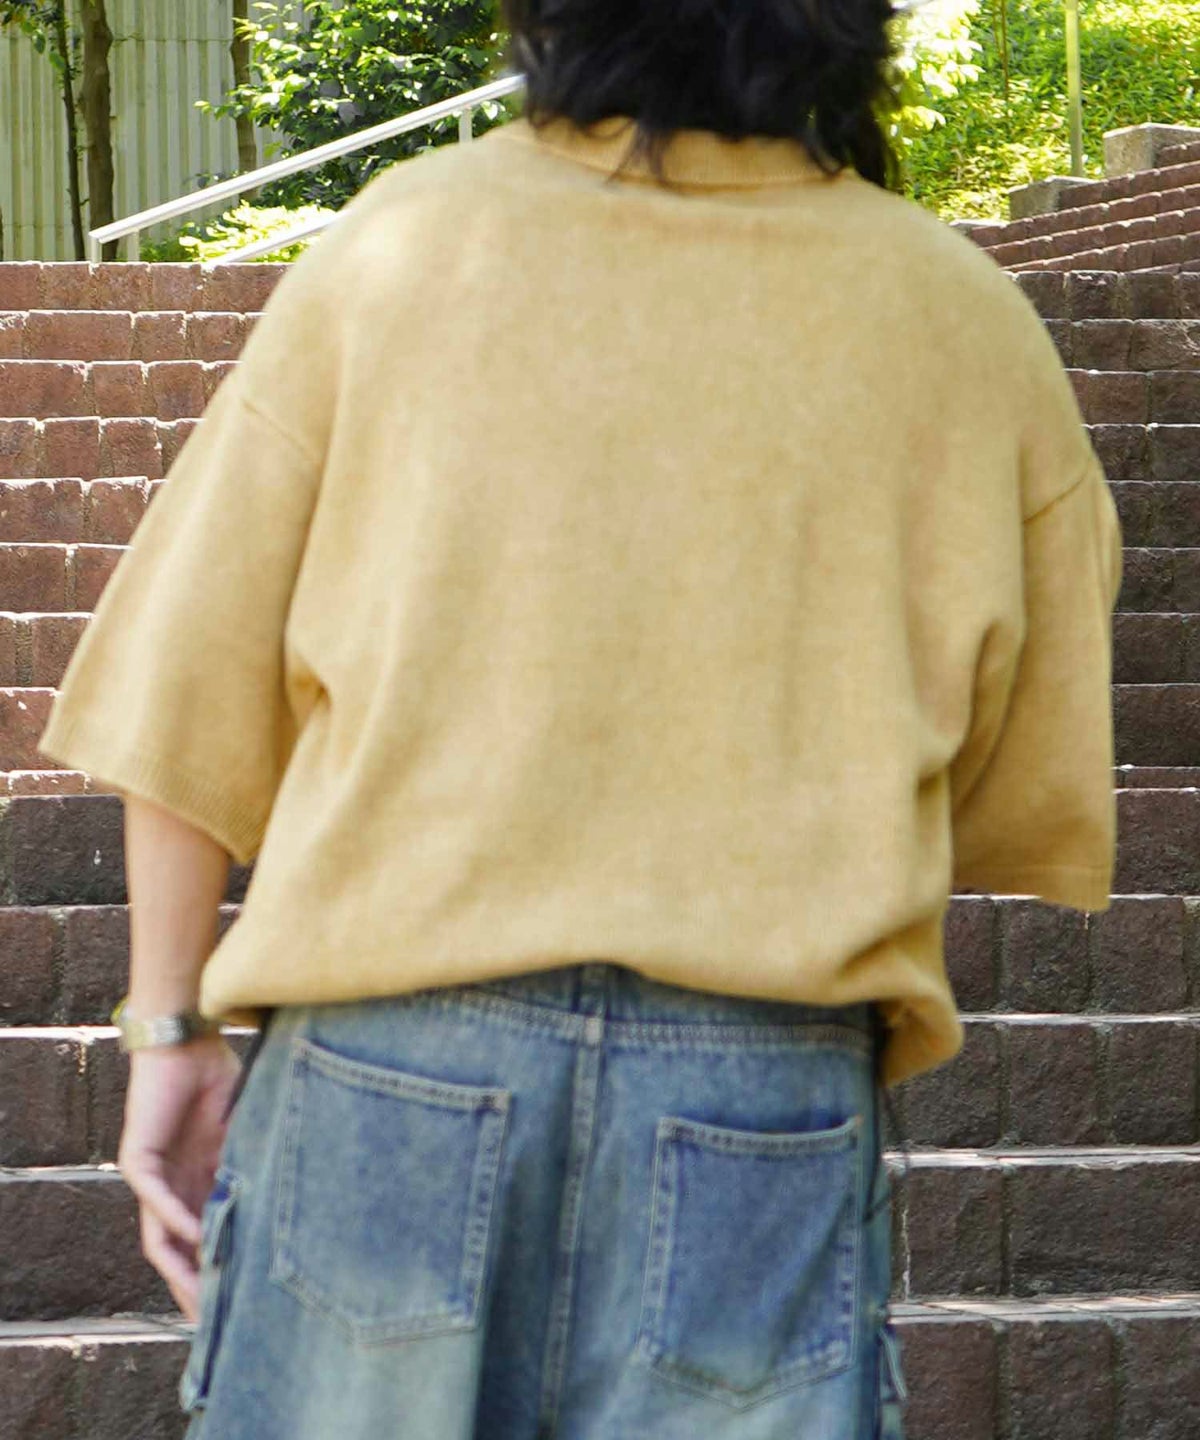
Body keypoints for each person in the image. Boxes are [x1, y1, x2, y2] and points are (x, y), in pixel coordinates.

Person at [37, 0, 1123, 1435]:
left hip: (387, 1062)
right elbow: (1010, 762)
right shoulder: (962, 317)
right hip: (761, 1088)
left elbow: (189, 681)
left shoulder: (402, 246)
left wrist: (169, 1023)